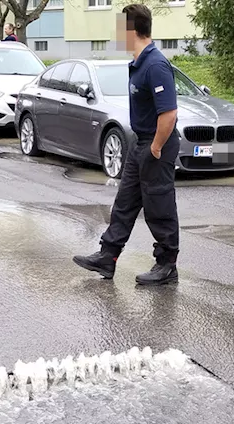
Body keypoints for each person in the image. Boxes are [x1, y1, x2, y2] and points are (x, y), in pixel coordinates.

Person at [73, 3, 180, 286]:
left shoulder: (155, 64)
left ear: (131, 30)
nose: (117, 34)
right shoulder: (138, 63)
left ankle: (167, 265)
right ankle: (107, 257)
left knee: (159, 205)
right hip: (140, 142)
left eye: (120, 28)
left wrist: (156, 147)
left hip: (157, 143)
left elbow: (168, 113)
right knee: (124, 203)